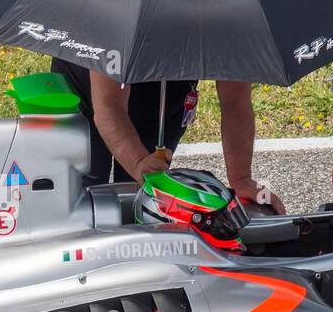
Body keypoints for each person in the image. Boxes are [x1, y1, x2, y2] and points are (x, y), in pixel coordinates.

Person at [50, 57, 286, 214]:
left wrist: (241, 179)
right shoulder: (114, 7)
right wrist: (138, 162)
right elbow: (108, 107)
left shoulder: (228, 14)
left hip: (161, 106)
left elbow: (235, 102)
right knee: (83, 206)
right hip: (84, 96)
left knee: (141, 205)